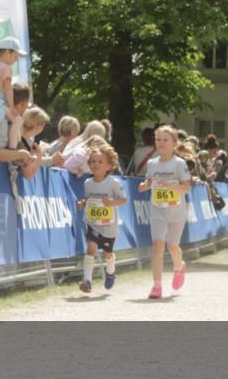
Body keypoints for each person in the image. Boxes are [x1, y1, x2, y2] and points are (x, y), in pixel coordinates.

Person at [138, 125, 192, 299]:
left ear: (174, 143)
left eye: (165, 140)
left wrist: (171, 186)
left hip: (176, 210)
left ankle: (179, 267)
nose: (160, 143)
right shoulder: (152, 164)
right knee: (157, 246)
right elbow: (147, 182)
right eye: (158, 139)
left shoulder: (179, 163)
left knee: (173, 245)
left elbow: (186, 188)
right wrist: (144, 186)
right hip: (157, 210)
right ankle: (157, 286)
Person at [75, 143, 127, 295]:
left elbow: (123, 199)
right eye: (92, 161)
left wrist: (111, 203)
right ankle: (87, 280)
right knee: (90, 249)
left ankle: (110, 272)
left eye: (100, 162)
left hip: (108, 226)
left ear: (109, 166)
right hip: (93, 223)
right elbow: (88, 199)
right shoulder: (88, 183)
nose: (95, 164)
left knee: (107, 254)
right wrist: (82, 203)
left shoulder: (113, 183)